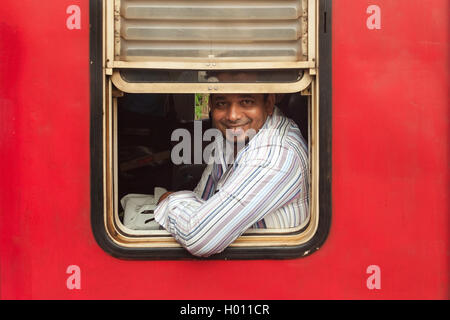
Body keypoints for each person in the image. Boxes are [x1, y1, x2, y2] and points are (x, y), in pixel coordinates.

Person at [154, 72, 309, 257]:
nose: (232, 116)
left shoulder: (274, 156)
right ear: (210, 105)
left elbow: (198, 236)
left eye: (246, 101)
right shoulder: (234, 138)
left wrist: (169, 200)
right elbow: (203, 198)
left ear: (268, 104)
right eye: (221, 103)